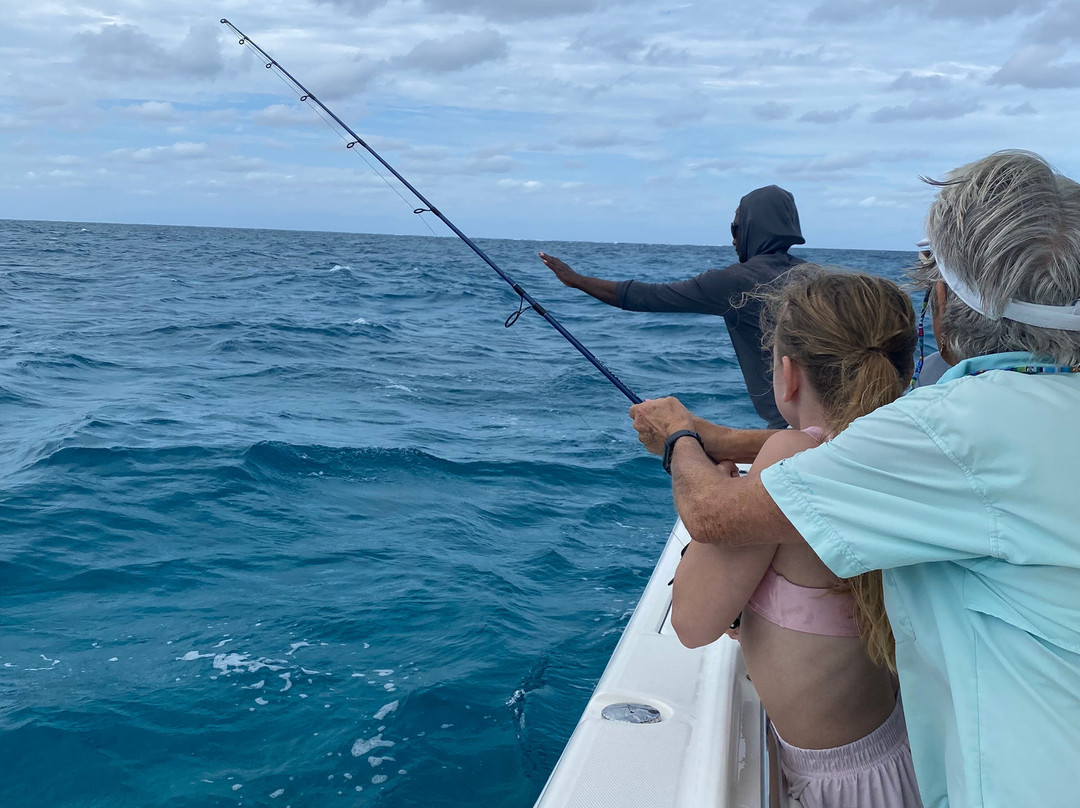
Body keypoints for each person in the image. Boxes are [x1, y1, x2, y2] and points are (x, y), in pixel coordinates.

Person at [629, 150, 1080, 808]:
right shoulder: (998, 424)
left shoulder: (953, 430)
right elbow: (857, 445)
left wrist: (679, 439)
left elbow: (715, 519)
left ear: (946, 303)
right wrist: (729, 439)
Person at [670, 268, 923, 807]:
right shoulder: (898, 455)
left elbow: (691, 624)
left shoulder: (790, 457)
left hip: (842, 786)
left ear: (787, 376)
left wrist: (686, 449)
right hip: (898, 755)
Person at [539, 185, 806, 428]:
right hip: (835, 420)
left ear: (751, 228)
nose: (734, 240)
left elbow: (649, 297)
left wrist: (577, 281)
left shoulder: (734, 281)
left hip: (791, 428)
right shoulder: (817, 277)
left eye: (735, 228)